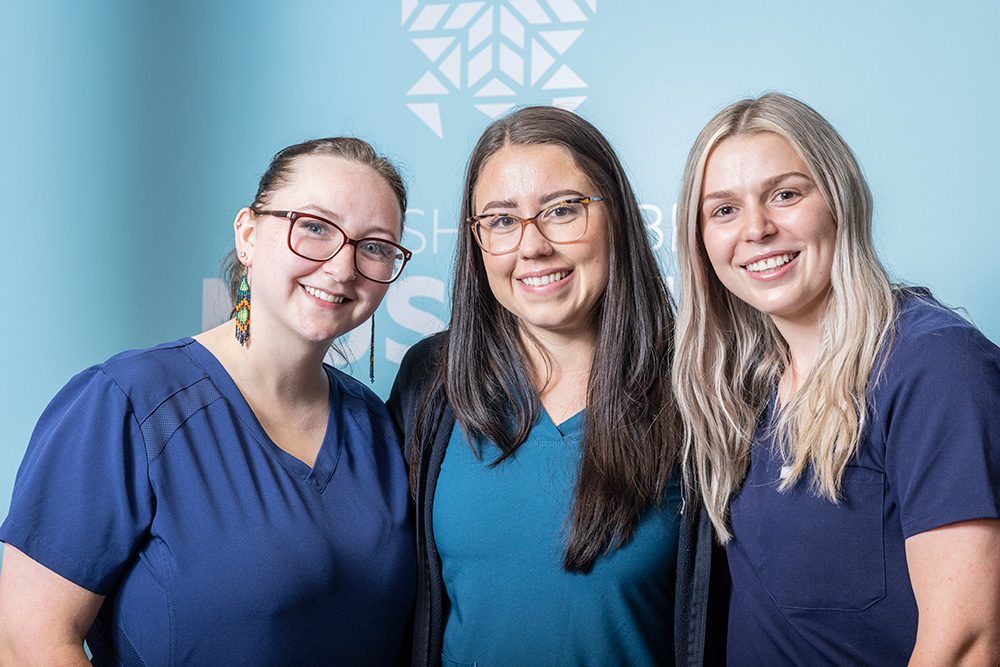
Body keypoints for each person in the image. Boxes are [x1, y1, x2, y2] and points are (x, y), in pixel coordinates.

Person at [0, 137, 416, 665]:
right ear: (247, 233)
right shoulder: (127, 403)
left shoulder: (375, 426)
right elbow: (27, 640)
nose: (342, 266)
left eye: (375, 245)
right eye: (313, 227)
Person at [389, 106, 728, 667]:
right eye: (500, 220)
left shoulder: (697, 385)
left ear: (615, 215)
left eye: (562, 210)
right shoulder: (432, 380)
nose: (532, 246)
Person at [672, 92, 1000, 665]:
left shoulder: (933, 367)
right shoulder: (738, 389)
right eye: (723, 210)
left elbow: (966, 643)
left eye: (786, 194)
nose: (757, 228)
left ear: (840, 201)